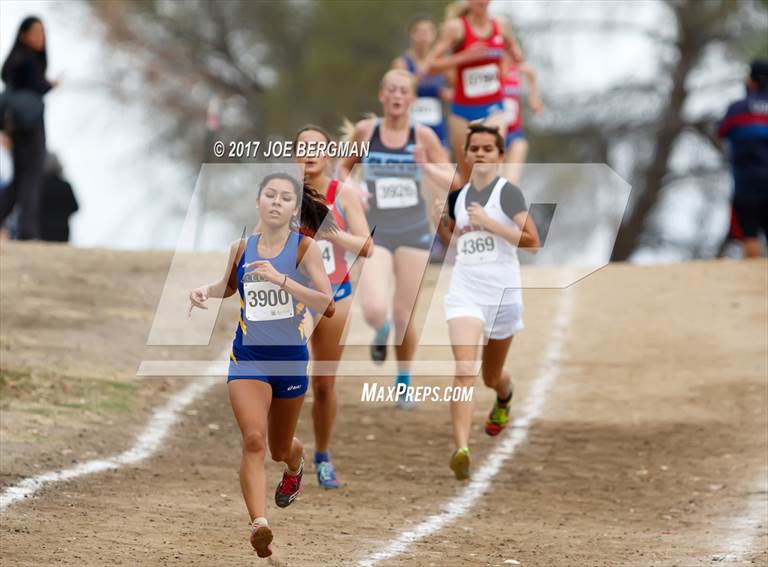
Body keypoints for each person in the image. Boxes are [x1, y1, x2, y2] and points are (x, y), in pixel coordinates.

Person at [188, 173, 335, 557]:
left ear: (293, 209)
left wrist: (283, 280)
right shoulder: (241, 248)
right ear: (258, 202)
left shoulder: (305, 250)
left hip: (289, 362)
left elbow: (327, 303)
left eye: (285, 197)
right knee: (254, 439)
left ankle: (295, 464)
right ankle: (260, 523)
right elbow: (229, 285)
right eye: (269, 195)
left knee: (279, 448)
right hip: (248, 359)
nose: (275, 202)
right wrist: (206, 290)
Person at [339, 69, 452, 408]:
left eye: (404, 90)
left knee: (405, 316)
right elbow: (343, 168)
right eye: (392, 90)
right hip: (374, 232)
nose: (398, 95)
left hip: (414, 232)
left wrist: (427, 167)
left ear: (413, 99)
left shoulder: (424, 136)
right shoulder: (366, 132)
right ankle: (380, 330)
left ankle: (404, 381)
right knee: (374, 308)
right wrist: (353, 187)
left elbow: (451, 175)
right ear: (382, 96)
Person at [434, 123, 540, 480]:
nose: (480, 153)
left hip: (502, 294)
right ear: (465, 155)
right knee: (465, 370)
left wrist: (490, 224)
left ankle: (504, 396)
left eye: (488, 149)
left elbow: (532, 240)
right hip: (465, 292)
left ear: (500, 156)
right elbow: (456, 241)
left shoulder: (508, 195)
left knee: (491, 375)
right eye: (474, 148)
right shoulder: (457, 197)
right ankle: (461, 448)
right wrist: (442, 225)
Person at [294, 125, 373, 488]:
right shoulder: (282, 193)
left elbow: (366, 246)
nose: (309, 153)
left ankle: (322, 455)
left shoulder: (343, 195)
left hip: (333, 297)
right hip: (291, 297)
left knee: (323, 384)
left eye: (316, 148)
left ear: (329, 154)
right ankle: (283, 448)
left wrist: (333, 234)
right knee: (282, 377)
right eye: (302, 148)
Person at [425, 0, 524, 181]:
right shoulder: (456, 28)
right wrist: (464, 57)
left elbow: (515, 51)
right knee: (468, 175)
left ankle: (494, 205)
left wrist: (514, 55)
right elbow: (430, 66)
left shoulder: (501, 25)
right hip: (462, 112)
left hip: (493, 108)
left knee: (491, 166)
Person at [0, 16, 58, 240]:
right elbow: (37, 86)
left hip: (15, 127)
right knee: (31, 177)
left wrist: (6, 130)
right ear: (23, 35)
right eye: (35, 32)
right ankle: (27, 230)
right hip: (30, 126)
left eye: (42, 33)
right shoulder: (29, 60)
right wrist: (49, 85)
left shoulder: (14, 61)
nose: (40, 38)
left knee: (19, 180)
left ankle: (24, 228)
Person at [718, 59, 768, 258]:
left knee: (750, 234)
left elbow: (721, 131)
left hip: (746, 184)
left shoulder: (737, 109)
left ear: (751, 81)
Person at [392, 16, 451, 147]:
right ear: (411, 35)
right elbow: (400, 89)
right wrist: (423, 72)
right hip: (409, 121)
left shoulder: (442, 63)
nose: (423, 36)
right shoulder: (401, 63)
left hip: (436, 121)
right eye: (418, 31)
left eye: (427, 31)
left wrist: (445, 93)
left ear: (434, 35)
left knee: (441, 158)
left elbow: (455, 88)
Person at [499, 49, 542, 184]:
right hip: (495, 135)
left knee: (511, 182)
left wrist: (533, 89)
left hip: (515, 132)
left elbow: (532, 73)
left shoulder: (517, 72)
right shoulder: (490, 73)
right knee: (495, 180)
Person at [39, 152, 78, 242]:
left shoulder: (39, 188)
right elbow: (75, 207)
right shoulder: (65, 186)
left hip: (43, 230)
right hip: (62, 230)